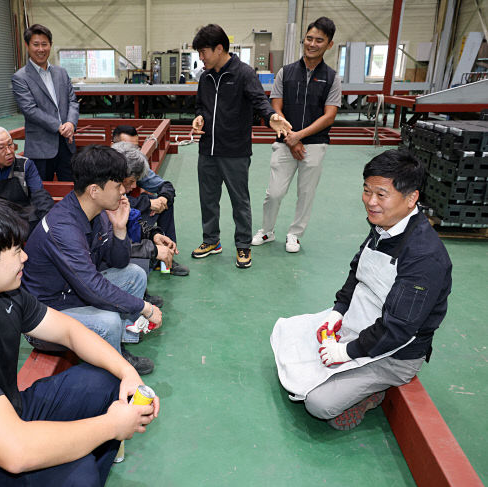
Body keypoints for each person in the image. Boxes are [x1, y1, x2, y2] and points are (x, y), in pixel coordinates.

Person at [0, 193, 159, 486]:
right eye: (15, 251)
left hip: (9, 414)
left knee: (106, 381)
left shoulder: (3, 296)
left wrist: (128, 373)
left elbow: (69, 331)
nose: (25, 256)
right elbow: (16, 451)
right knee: (78, 475)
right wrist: (113, 425)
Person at [271, 150, 451, 430]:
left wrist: (347, 351)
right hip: (360, 320)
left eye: (381, 194)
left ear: (411, 198)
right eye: (367, 191)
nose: (370, 202)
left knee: (319, 404)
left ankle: (371, 393)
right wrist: (338, 310)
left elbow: (397, 329)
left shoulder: (424, 257)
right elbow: (358, 271)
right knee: (287, 333)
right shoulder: (383, 226)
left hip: (394, 352)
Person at [22, 145, 161, 375]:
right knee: (109, 321)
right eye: (118, 186)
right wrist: (143, 307)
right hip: (45, 316)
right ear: (95, 190)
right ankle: (115, 366)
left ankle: (119, 346)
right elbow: (91, 288)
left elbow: (118, 262)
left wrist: (119, 229)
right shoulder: (63, 228)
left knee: (134, 274)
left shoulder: (97, 212)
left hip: (72, 295)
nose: (123, 193)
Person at [190, 24, 291, 269]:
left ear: (219, 48)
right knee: (208, 199)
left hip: (235, 152)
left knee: (239, 201)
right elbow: (201, 106)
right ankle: (211, 240)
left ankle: (243, 245)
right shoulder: (205, 77)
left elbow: (260, 103)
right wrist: (199, 118)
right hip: (208, 150)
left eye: (203, 52)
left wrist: (271, 118)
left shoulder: (244, 74)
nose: (200, 58)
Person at [252, 17, 341, 253]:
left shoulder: (332, 78)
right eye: (309, 38)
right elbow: (275, 107)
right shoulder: (286, 72)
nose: (312, 44)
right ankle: (267, 230)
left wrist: (299, 136)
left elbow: (329, 116)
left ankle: (295, 234)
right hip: (284, 142)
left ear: (329, 45)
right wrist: (290, 138)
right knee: (274, 193)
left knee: (305, 193)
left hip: (315, 145)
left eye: (319, 40)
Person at [112, 125, 189, 276]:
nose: (133, 153)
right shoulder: (106, 172)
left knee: (165, 203)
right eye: (128, 148)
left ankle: (167, 257)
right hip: (115, 221)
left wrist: (162, 199)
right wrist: (147, 203)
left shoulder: (135, 166)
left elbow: (166, 186)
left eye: (136, 148)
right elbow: (112, 204)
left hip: (131, 215)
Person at [12, 24, 79, 181]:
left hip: (66, 144)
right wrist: (59, 126)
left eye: (44, 44)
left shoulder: (61, 73)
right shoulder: (20, 77)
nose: (41, 49)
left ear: (50, 45)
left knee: (71, 190)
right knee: (41, 193)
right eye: (36, 44)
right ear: (27, 46)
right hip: (40, 148)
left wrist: (70, 123)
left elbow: (73, 101)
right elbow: (29, 109)